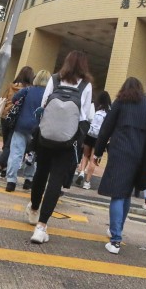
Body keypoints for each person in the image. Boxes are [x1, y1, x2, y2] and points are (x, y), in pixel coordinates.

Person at [26, 50, 93, 244]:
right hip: (69, 140)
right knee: (56, 179)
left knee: (41, 173)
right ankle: (41, 227)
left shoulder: (54, 79)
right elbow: (86, 116)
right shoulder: (86, 85)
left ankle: (33, 210)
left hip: (46, 137)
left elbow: (43, 104)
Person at [93, 77, 146, 255]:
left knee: (117, 194)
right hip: (139, 154)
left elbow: (106, 127)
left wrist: (98, 151)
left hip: (119, 152)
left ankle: (115, 240)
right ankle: (117, 230)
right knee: (126, 193)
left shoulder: (120, 103)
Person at [4, 69, 49, 192]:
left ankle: (11, 181)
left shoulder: (27, 90)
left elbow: (14, 100)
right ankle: (28, 179)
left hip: (21, 125)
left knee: (16, 153)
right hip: (37, 129)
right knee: (33, 155)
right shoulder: (48, 95)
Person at [0, 67, 34, 185]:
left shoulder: (11, 86)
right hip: (16, 119)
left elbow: (3, 98)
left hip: (5, 117)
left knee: (7, 145)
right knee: (11, 146)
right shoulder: (27, 90)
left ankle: (4, 170)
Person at [75, 90, 111, 190]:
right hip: (99, 138)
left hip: (90, 135)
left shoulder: (94, 107)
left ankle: (82, 172)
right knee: (93, 159)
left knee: (85, 155)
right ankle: (87, 182)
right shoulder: (109, 112)